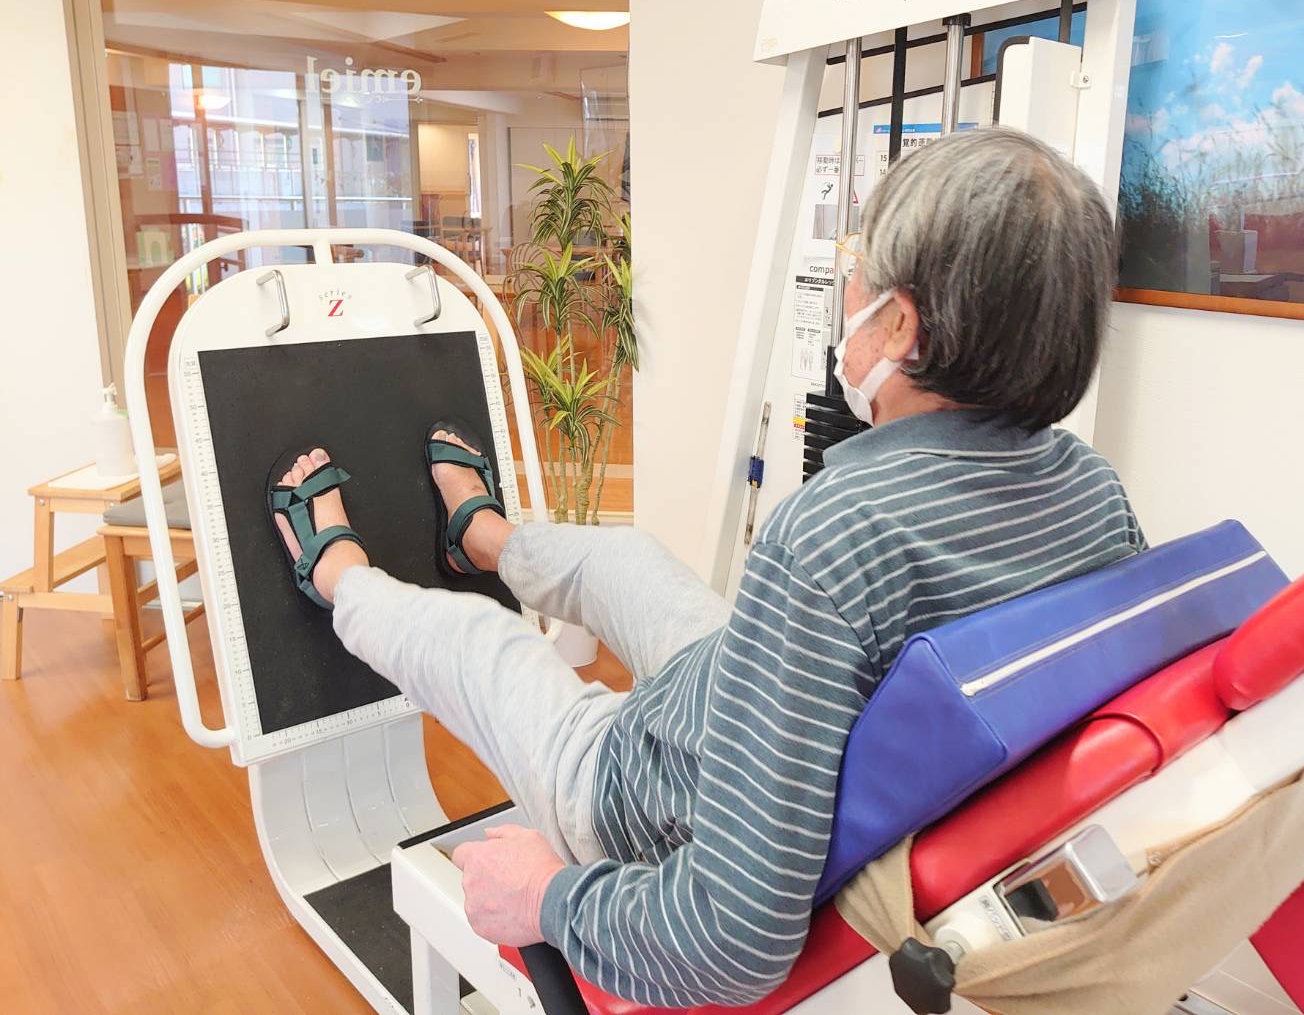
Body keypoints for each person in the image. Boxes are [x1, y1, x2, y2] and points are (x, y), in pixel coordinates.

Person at [267, 128, 1146, 1007]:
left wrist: (549, 896)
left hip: (638, 799)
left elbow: (729, 937)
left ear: (899, 325)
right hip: (748, 722)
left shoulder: (835, 538)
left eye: (860, 270)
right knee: (625, 558)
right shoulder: (1090, 491)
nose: (849, 289)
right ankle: (484, 539)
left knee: (478, 640)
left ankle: (336, 571)